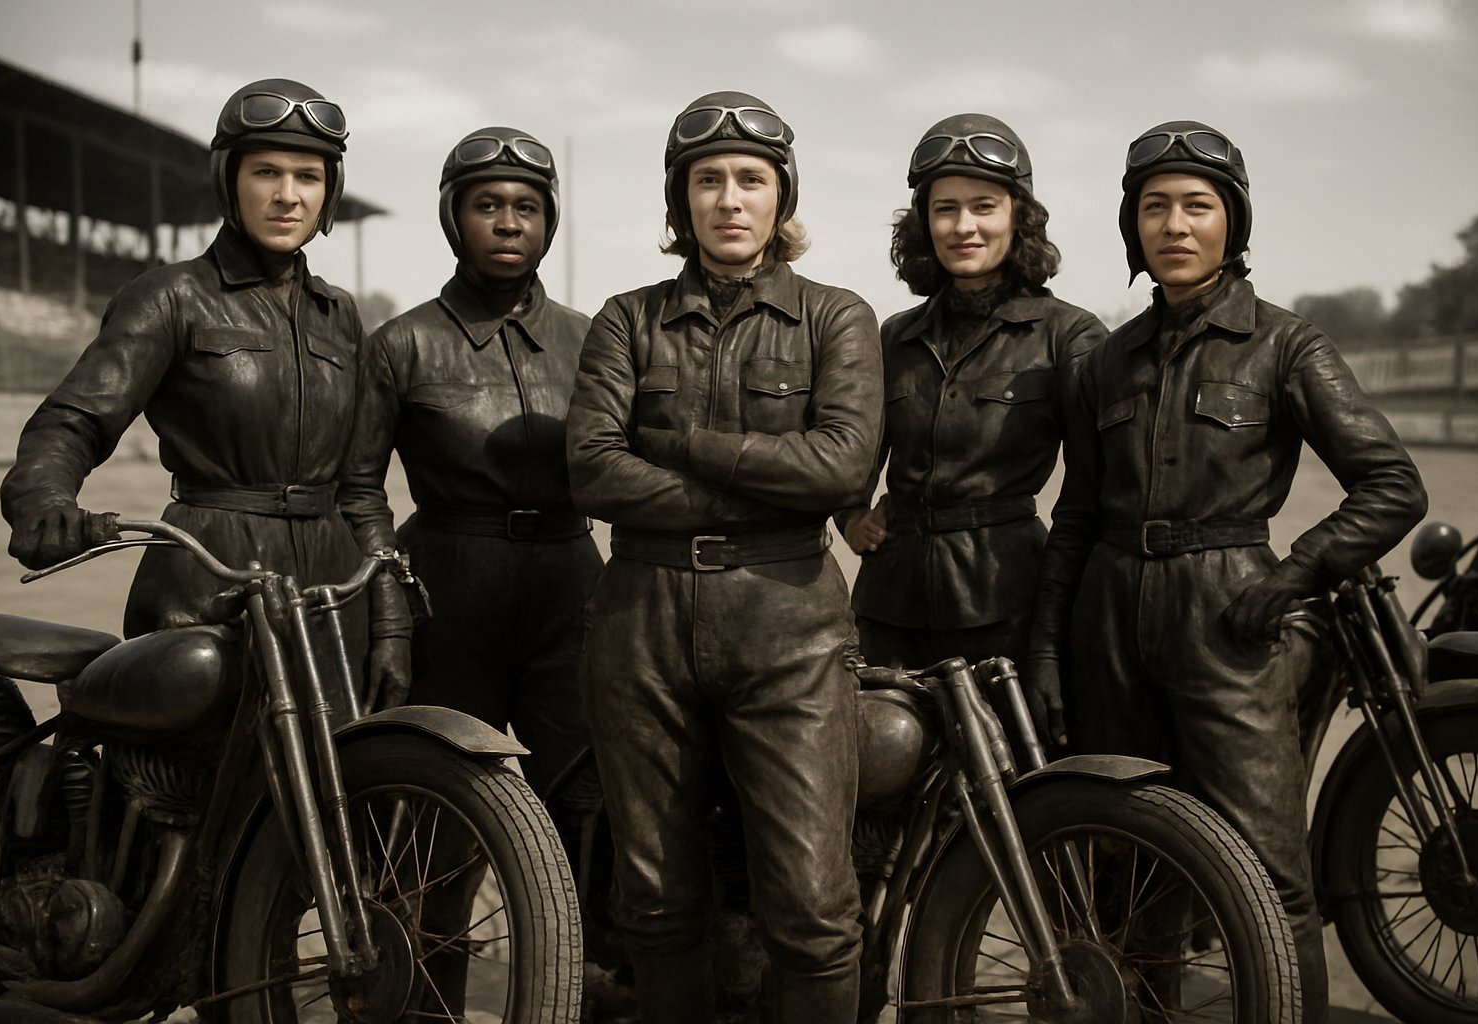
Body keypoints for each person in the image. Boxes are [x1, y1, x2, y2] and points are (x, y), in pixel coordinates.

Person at [1023, 120, 1428, 1022]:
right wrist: (1049, 650)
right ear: (1132, 226)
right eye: (1154, 206)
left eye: (1196, 205)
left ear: (1231, 224)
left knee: (1269, 869)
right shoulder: (1103, 363)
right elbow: (1077, 517)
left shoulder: (1287, 346)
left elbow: (1393, 486)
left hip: (1230, 617)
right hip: (1109, 617)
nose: (1174, 223)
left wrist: (1292, 578)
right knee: (1127, 859)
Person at [565, 91, 883, 1024]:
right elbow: (592, 472)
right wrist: (762, 484)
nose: (730, 199)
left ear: (783, 198)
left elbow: (842, 464)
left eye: (752, 180)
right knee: (655, 902)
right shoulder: (626, 320)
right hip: (641, 624)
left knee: (814, 906)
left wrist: (685, 446)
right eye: (708, 181)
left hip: (790, 622)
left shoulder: (837, 317)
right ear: (681, 202)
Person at [0, 79, 403, 702]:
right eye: (267, 171)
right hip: (206, 577)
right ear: (228, 181)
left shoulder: (340, 315)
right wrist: (43, 500)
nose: (288, 196)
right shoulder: (169, 297)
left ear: (330, 193)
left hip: (328, 587)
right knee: (187, 780)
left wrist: (387, 612)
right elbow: (71, 421)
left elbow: (359, 482)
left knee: (337, 777)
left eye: (309, 177)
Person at [338, 125, 600, 812]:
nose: (509, 222)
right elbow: (358, 489)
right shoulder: (401, 344)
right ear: (454, 218)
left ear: (549, 221)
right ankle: (428, 927)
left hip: (571, 595)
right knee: (439, 819)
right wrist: (390, 609)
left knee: (588, 809)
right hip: (448, 603)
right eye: (487, 204)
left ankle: (581, 927)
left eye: (527, 206)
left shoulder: (595, 339)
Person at [836, 113, 1106, 674]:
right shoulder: (893, 336)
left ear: (1019, 218)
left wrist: (1057, 624)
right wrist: (851, 515)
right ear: (924, 224)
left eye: (984, 206)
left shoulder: (1069, 335)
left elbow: (1094, 491)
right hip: (889, 604)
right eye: (945, 208)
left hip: (1008, 603)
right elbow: (851, 449)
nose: (964, 226)